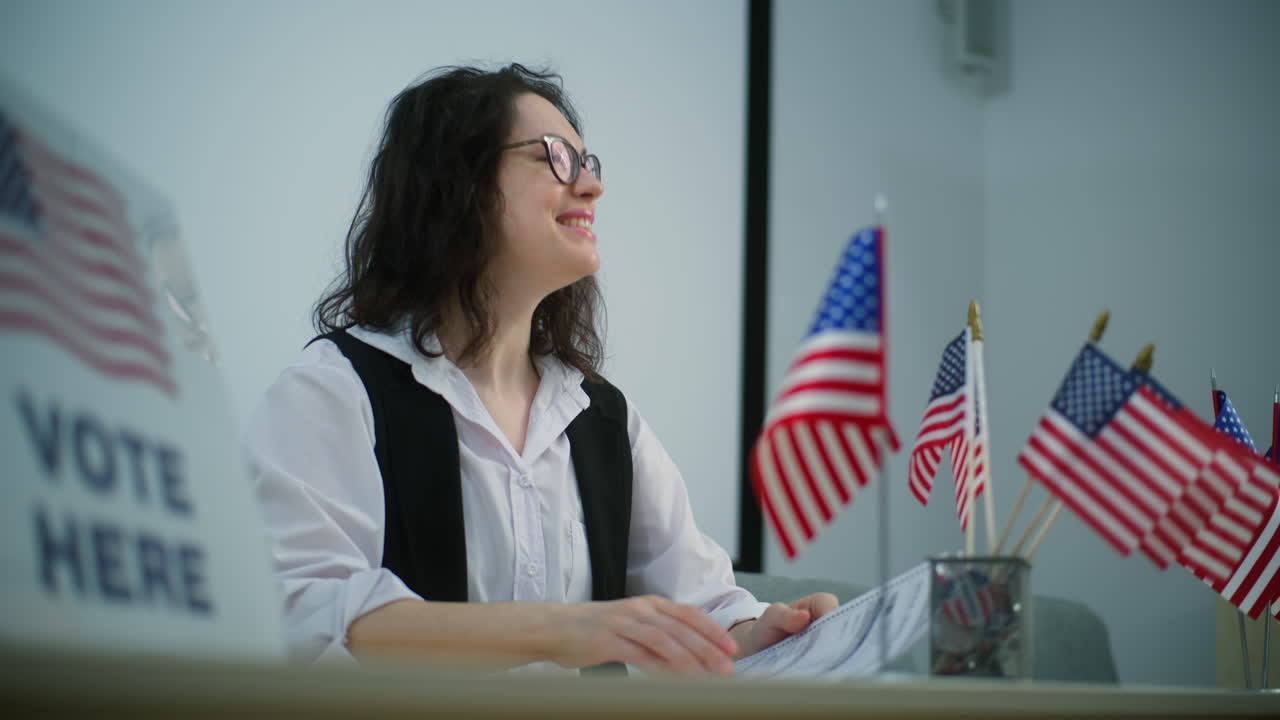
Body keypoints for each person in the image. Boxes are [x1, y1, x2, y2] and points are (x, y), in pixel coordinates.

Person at [246, 63, 836, 675]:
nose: (590, 187)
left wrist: (759, 632)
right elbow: (301, 615)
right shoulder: (335, 391)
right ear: (456, 184)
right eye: (554, 157)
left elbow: (704, 610)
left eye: (588, 163)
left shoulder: (606, 418)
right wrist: (561, 629)